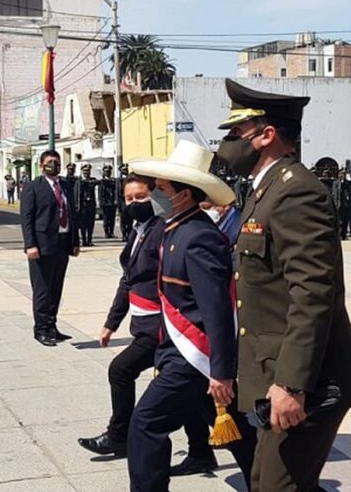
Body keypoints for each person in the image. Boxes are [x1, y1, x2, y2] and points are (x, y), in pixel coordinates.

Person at [216, 79, 351, 490]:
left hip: (309, 380)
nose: (228, 143)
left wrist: (291, 384)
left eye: (236, 133)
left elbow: (312, 294)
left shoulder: (295, 192)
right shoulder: (263, 191)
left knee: (278, 485)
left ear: (266, 136)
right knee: (264, 480)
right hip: (276, 373)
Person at [126, 141, 256, 491]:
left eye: (160, 189)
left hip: (197, 358)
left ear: (183, 195)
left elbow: (217, 309)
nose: (154, 193)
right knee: (242, 436)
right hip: (180, 352)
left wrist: (222, 372)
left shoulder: (198, 236)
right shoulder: (175, 228)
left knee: (145, 423)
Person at [78, 174, 215, 469]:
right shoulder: (138, 230)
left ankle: (118, 436)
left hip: (164, 326)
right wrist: (111, 322)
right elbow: (128, 279)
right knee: (194, 396)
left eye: (141, 197)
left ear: (154, 196)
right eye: (129, 199)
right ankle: (204, 451)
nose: (134, 203)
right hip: (144, 323)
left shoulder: (161, 230)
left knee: (121, 370)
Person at [20, 150, 81, 346]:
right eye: (49, 162)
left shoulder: (65, 185)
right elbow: (26, 219)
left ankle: (52, 326)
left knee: (56, 288)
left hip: (62, 244)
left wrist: (75, 241)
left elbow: (72, 213)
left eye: (56, 161)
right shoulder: (33, 187)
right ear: (41, 165)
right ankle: (41, 329)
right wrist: (30, 245)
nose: (53, 165)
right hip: (42, 245)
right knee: (42, 290)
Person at [77, 164, 98, 246]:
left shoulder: (92, 180)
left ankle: (89, 239)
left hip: (91, 205)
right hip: (83, 206)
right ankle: (84, 240)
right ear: (82, 171)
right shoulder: (79, 181)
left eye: (88, 171)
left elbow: (99, 182)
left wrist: (90, 181)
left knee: (90, 224)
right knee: (83, 224)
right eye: (85, 171)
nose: (86, 173)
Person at [98, 164, 118, 239]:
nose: (108, 173)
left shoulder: (113, 180)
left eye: (109, 172)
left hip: (112, 202)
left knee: (112, 218)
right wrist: (100, 202)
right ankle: (106, 232)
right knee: (106, 219)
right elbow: (100, 192)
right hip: (105, 203)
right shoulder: (102, 181)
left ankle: (111, 232)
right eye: (106, 172)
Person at [118, 163, 133, 241]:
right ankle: (124, 234)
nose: (125, 171)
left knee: (130, 219)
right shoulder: (119, 180)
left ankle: (130, 233)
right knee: (123, 220)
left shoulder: (130, 179)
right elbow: (118, 192)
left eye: (126, 170)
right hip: (122, 202)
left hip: (129, 202)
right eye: (123, 170)